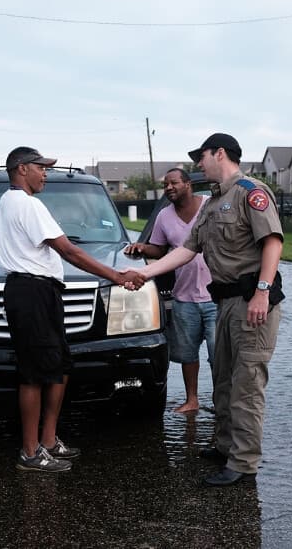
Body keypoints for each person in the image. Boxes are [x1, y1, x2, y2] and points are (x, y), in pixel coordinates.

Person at [130, 133, 284, 487]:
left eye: (201, 157)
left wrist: (262, 291)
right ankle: (226, 445)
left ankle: (243, 463)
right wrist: (143, 272)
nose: (198, 164)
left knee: (247, 383)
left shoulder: (250, 192)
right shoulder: (213, 204)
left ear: (220, 153)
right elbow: (186, 250)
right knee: (225, 380)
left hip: (252, 302)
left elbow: (272, 242)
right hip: (225, 301)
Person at [0, 146, 145, 473]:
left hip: (41, 291)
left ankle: (48, 440)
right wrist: (117, 276)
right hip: (31, 291)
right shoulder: (25, 203)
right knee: (33, 374)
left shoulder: (10, 202)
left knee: (59, 365)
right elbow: (69, 251)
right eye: (40, 167)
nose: (45, 173)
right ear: (22, 169)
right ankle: (30, 452)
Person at [124, 168, 216, 414]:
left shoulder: (210, 206)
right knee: (187, 354)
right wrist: (142, 248)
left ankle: (223, 401)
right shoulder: (164, 216)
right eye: (165, 184)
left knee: (219, 356)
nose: (168, 187)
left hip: (216, 295)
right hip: (184, 295)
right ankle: (192, 399)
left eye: (173, 182)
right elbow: (159, 249)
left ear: (188, 184)